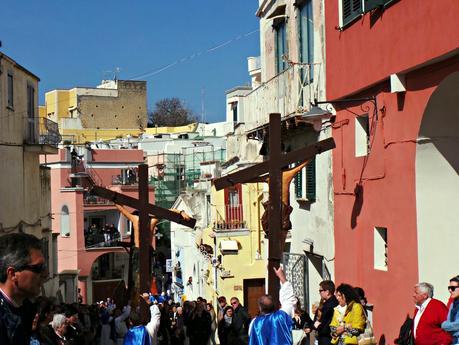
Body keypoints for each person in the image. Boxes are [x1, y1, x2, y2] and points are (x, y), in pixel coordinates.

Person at [0, 233, 48, 345]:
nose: (45, 274)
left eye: (44, 267)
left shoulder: (27, 309)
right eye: (38, 268)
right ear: (12, 274)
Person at [248, 266, 296, 345]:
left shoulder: (254, 323)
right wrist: (282, 277)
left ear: (260, 308)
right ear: (274, 305)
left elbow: (252, 339)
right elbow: (289, 300)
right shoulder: (281, 316)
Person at [314, 280, 339, 345]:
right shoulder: (327, 304)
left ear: (327, 292)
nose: (319, 293)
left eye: (320, 291)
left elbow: (327, 326)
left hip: (327, 339)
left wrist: (318, 326)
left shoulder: (330, 305)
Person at [442, 275, 459, 344]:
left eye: (452, 288)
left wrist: (444, 325)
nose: (450, 290)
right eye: (449, 288)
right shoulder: (453, 304)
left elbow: (457, 325)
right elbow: (447, 321)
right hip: (454, 341)